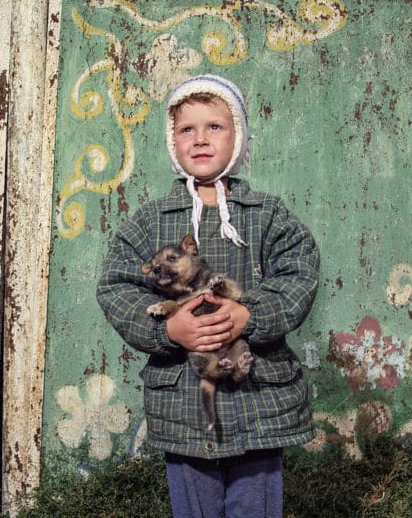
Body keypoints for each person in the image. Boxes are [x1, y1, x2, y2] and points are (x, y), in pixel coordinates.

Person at [96, 73, 319, 518]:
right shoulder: (149, 220)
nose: (200, 139)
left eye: (214, 127)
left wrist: (248, 316)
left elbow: (298, 276)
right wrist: (167, 328)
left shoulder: (268, 214)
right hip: (183, 404)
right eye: (186, 129)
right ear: (172, 141)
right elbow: (116, 286)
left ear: (237, 136)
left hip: (259, 401)